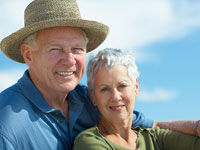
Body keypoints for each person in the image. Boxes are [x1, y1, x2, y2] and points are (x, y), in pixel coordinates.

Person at [0, 0, 199, 149]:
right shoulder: (7, 125)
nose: (69, 60)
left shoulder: (89, 99)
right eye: (55, 49)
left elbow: (152, 124)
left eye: (77, 49)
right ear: (28, 54)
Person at [73, 48, 200, 150]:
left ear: (136, 87)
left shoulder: (154, 137)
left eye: (122, 86)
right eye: (104, 89)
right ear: (93, 96)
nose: (116, 96)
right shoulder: (89, 142)